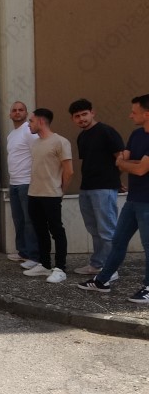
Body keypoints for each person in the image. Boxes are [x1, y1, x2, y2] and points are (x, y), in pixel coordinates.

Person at [78, 94, 149, 302]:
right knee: (118, 241)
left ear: (147, 114)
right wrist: (133, 163)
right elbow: (122, 160)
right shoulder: (136, 134)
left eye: (134, 112)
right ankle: (102, 280)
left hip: (147, 202)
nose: (130, 116)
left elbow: (140, 169)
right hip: (133, 199)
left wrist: (131, 164)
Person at [69, 98, 124, 279]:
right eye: (77, 116)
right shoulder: (82, 137)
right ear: (73, 119)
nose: (81, 119)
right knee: (94, 229)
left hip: (104, 187)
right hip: (87, 187)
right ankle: (97, 264)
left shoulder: (106, 131)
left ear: (92, 113)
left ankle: (111, 269)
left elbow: (120, 157)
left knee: (107, 230)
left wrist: (115, 180)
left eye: (84, 114)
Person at [22, 108, 73, 283]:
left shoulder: (60, 142)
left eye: (31, 121)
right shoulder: (36, 143)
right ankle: (44, 264)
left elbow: (69, 171)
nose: (29, 124)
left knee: (56, 231)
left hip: (51, 195)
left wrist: (61, 192)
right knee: (40, 230)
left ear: (41, 121)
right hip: (33, 193)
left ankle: (60, 268)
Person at [6, 101, 40, 270]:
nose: (17, 112)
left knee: (29, 221)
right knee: (18, 220)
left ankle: (34, 256)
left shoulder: (28, 131)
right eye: (14, 110)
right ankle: (23, 252)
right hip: (14, 183)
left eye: (21, 110)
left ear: (26, 113)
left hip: (27, 182)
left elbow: (38, 154)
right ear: (10, 114)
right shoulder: (11, 135)